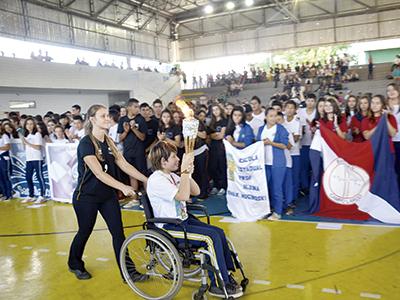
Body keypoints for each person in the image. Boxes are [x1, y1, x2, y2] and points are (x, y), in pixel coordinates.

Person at [147, 141, 243, 298]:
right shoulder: (156, 180)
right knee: (209, 238)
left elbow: (196, 191)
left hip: (182, 221)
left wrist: (188, 174)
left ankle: (225, 274)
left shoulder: (170, 175)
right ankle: (218, 284)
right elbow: (183, 196)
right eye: (174, 157)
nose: (178, 159)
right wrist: (184, 172)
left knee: (218, 232)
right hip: (169, 227)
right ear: (163, 162)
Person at [68, 104, 148, 282]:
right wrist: (123, 187)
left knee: (118, 234)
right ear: (92, 119)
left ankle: (129, 273)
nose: (107, 118)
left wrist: (146, 180)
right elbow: (98, 173)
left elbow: (125, 165)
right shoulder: (86, 143)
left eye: (108, 116)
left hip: (107, 197)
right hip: (86, 197)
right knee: (85, 231)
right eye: (103, 116)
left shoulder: (109, 141)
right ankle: (74, 263)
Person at [256, 108, 289, 220]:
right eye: (271, 116)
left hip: (277, 163)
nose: (273, 118)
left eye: (275, 116)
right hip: (264, 163)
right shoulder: (261, 129)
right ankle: (266, 210)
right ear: (265, 117)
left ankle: (278, 212)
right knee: (265, 188)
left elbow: (284, 145)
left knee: (277, 188)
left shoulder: (281, 129)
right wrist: (261, 143)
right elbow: (257, 143)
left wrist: (271, 143)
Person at [117, 98, 147, 208]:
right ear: (129, 107)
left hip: (139, 151)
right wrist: (126, 130)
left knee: (143, 175)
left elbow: (143, 137)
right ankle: (135, 199)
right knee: (132, 175)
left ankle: (148, 200)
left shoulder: (141, 119)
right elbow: (120, 138)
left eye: (138, 107)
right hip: (128, 151)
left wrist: (134, 128)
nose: (137, 109)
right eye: (135, 107)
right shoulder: (122, 120)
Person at [21, 117, 46, 203]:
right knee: (28, 177)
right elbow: (24, 147)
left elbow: (38, 147)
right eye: (27, 124)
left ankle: (42, 195)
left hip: (37, 158)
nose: (29, 126)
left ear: (34, 125)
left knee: (39, 177)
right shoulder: (26, 135)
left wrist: (27, 143)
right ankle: (31, 195)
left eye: (31, 124)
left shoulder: (37, 134)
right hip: (29, 158)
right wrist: (23, 141)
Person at [284, 100, 302, 202]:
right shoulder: (282, 120)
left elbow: (295, 139)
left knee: (294, 177)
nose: (289, 110)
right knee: (286, 178)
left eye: (292, 108)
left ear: (295, 110)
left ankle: (293, 200)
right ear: (284, 109)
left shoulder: (297, 122)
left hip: (294, 153)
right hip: (284, 154)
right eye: (288, 107)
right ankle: (286, 198)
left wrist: (283, 139)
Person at [298, 93, 316, 193]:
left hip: (315, 144)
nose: (310, 103)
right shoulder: (300, 112)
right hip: (303, 143)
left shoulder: (317, 112)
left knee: (314, 166)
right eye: (308, 100)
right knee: (304, 166)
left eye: (312, 101)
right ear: (305, 101)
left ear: (315, 102)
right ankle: (305, 187)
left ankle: (314, 186)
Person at [208, 104, 228, 196]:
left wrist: (215, 135)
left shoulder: (224, 121)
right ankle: (216, 186)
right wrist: (214, 135)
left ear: (220, 110)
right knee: (213, 166)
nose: (215, 111)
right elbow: (209, 136)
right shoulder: (211, 123)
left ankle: (223, 186)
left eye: (217, 109)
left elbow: (221, 136)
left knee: (221, 166)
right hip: (213, 147)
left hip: (221, 147)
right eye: (213, 110)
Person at [387, 83, 400, 186]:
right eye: (388, 90)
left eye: (393, 89)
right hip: (390, 141)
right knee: (393, 168)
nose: (391, 92)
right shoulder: (385, 106)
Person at [0, 124, 12, 200]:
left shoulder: (4, 136)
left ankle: (9, 194)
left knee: (5, 176)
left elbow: (8, 147)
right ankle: (4, 194)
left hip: (4, 158)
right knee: (0, 177)